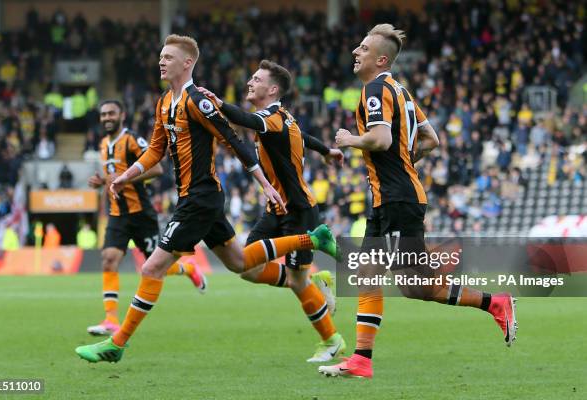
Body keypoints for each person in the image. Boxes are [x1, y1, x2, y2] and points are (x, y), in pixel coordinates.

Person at [75, 35, 338, 363]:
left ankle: (117, 343)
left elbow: (232, 139)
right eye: (161, 56)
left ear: (187, 63)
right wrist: (126, 175)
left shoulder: (196, 100)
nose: (161, 61)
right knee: (241, 264)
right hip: (198, 198)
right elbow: (156, 150)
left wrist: (263, 184)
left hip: (199, 199)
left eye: (168, 57)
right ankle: (311, 243)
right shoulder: (163, 102)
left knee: (153, 267)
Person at [318, 24, 517, 379]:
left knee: (419, 286)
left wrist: (349, 140)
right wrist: (405, 161)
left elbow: (379, 139)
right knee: (370, 273)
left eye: (363, 48)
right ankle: (362, 360)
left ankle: (495, 302)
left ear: (381, 59)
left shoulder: (376, 88)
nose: (355, 52)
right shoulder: (402, 92)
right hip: (392, 198)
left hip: (397, 200)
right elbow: (431, 138)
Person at [198, 59, 346, 362]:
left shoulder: (271, 116)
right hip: (275, 208)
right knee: (245, 267)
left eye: (256, 79)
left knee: (295, 281)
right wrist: (327, 151)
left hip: (299, 211)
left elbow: (248, 121)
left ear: (273, 88)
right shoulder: (283, 119)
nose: (250, 82)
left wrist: (218, 102)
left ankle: (332, 341)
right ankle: (318, 284)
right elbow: (303, 137)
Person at [84, 99, 207, 337]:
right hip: (118, 214)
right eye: (103, 114)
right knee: (109, 259)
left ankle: (188, 268)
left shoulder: (131, 140)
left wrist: (125, 179)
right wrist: (103, 182)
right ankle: (110, 320)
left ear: (122, 116)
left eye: (111, 113)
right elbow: (113, 176)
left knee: (154, 265)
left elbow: (157, 169)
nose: (107, 118)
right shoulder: (102, 144)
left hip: (142, 214)